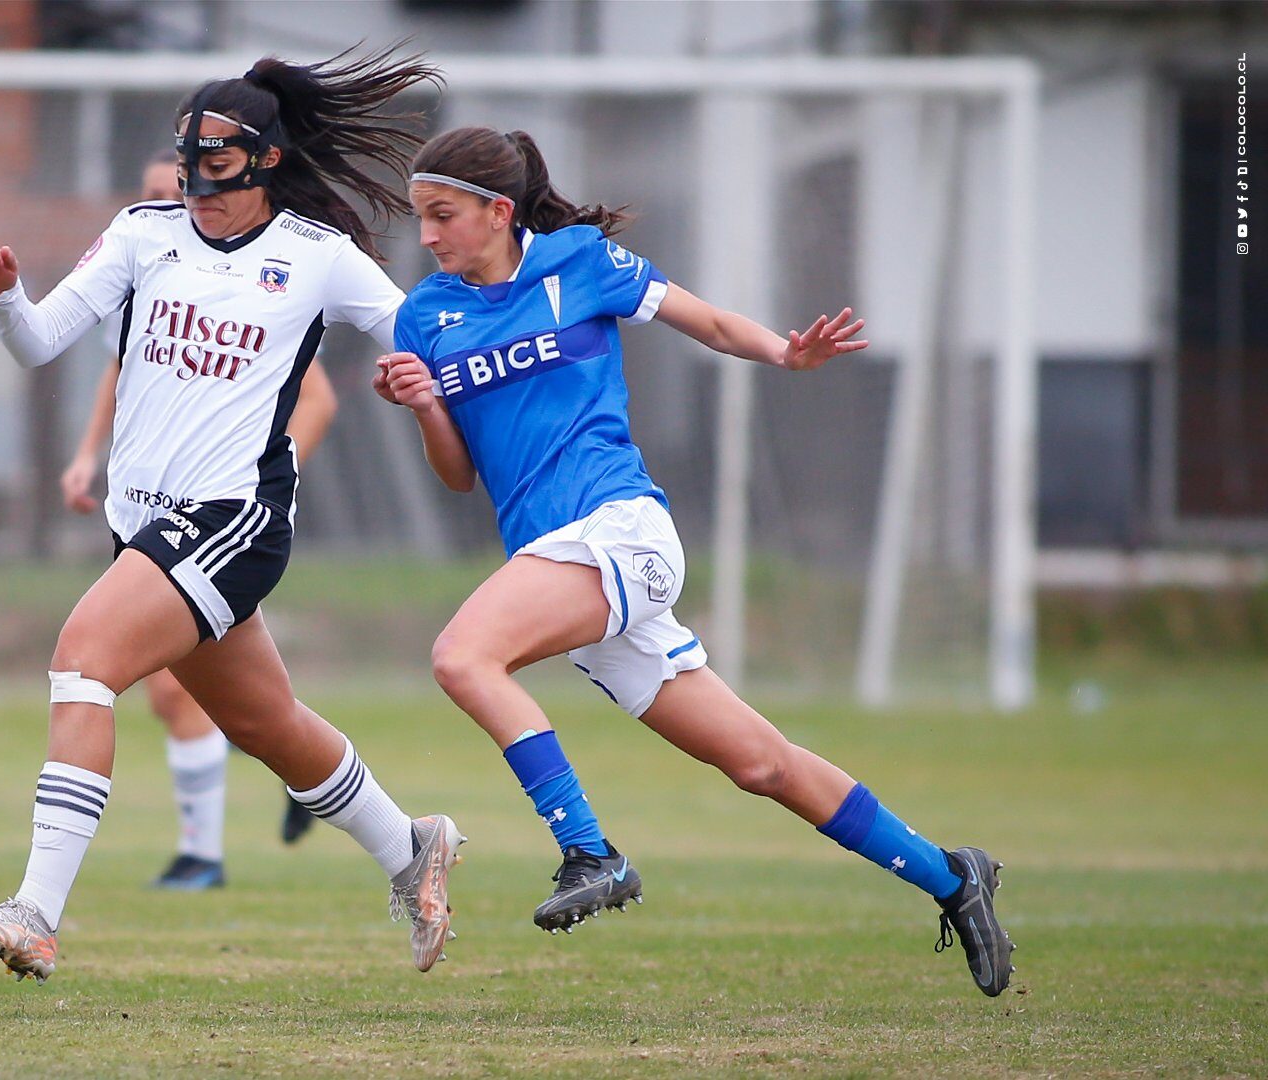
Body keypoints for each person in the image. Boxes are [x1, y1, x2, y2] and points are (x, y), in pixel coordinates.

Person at [373, 126, 1015, 996]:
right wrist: (422, 405)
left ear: (498, 210)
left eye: (442, 215)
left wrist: (786, 351)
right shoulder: (426, 315)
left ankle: (587, 849)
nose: (428, 237)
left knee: (462, 655)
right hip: (556, 561)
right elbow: (458, 477)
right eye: (419, 218)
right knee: (761, 764)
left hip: (622, 529)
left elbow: (705, 320)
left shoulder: (581, 263)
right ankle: (952, 876)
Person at [0, 48, 462, 983]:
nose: (198, 195)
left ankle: (36, 913)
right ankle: (411, 847)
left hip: (235, 518)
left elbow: (428, 343)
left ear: (266, 163)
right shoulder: (145, 233)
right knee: (268, 725)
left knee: (81, 662)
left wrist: (429, 378)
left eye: (218, 178)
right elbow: (38, 344)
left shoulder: (317, 258)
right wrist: (5, 301)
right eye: (188, 176)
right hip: (143, 525)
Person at [59, 151, 331, 886]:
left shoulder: (258, 293)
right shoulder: (148, 276)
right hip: (149, 507)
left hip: (225, 512)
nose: (178, 203)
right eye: (159, 193)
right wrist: (89, 456)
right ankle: (375, 822)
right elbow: (119, 381)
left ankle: (197, 856)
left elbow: (316, 399)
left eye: (184, 188)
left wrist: (253, 479)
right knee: (216, 701)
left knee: (132, 677)